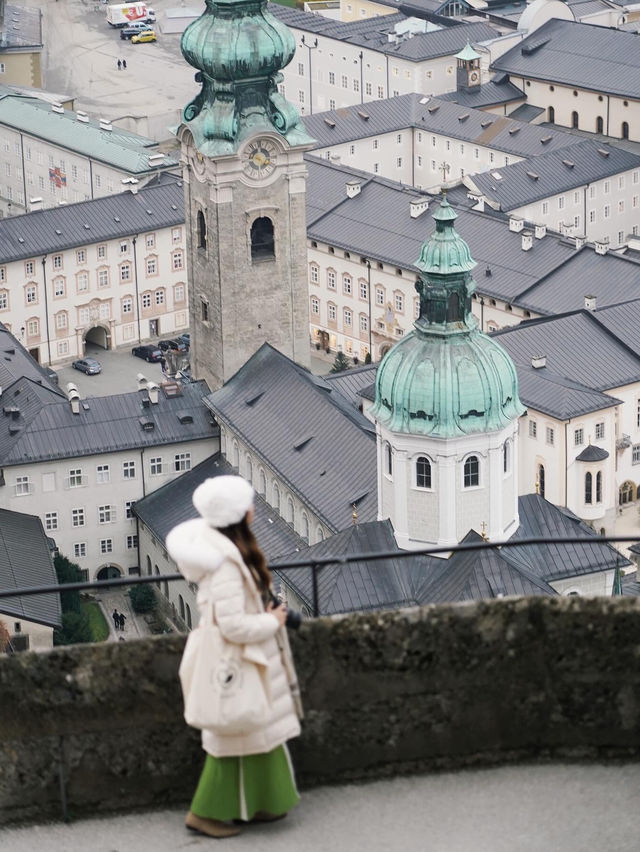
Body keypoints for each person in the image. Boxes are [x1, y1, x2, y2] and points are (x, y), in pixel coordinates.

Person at [166, 476, 302, 839]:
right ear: (238, 516)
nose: (254, 509)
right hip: (236, 664)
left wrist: (265, 607)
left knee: (257, 734)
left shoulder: (228, 552)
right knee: (233, 739)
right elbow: (233, 626)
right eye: (248, 505)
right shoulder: (226, 565)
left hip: (247, 661)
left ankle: (261, 803)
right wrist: (271, 620)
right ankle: (203, 814)